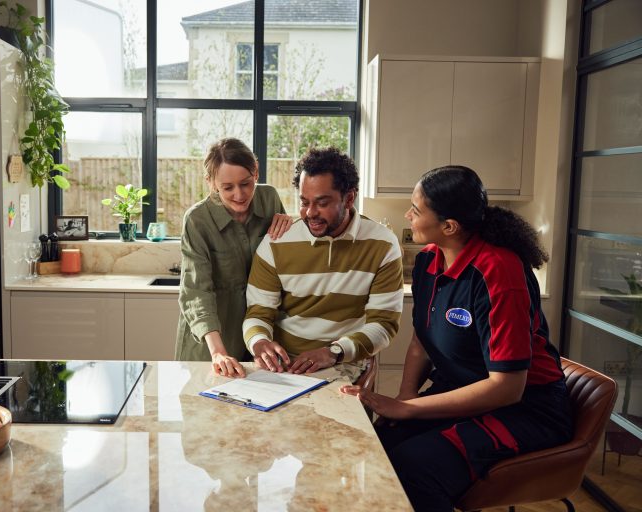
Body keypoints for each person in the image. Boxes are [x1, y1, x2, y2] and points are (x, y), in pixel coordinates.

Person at [340, 165, 573, 511]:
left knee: (411, 468)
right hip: (461, 392)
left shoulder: (499, 272)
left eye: (416, 210)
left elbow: (507, 387)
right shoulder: (430, 261)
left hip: (526, 410)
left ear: (449, 226)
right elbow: (423, 338)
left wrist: (408, 408)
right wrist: (406, 398)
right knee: (377, 446)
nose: (408, 215)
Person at [243, 146, 403, 375]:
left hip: (345, 362)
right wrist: (259, 342)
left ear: (349, 198)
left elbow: (384, 325)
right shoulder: (276, 243)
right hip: (284, 364)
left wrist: (334, 351)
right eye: (304, 202)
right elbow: (258, 313)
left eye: (322, 203)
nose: (310, 213)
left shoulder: (383, 244)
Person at [175, 138, 293, 377]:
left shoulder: (269, 199)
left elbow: (282, 261)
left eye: (246, 183)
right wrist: (218, 352)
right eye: (228, 187)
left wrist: (291, 224)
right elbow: (196, 291)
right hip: (212, 342)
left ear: (256, 172)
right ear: (211, 182)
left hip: (260, 339)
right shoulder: (197, 220)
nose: (240, 194)